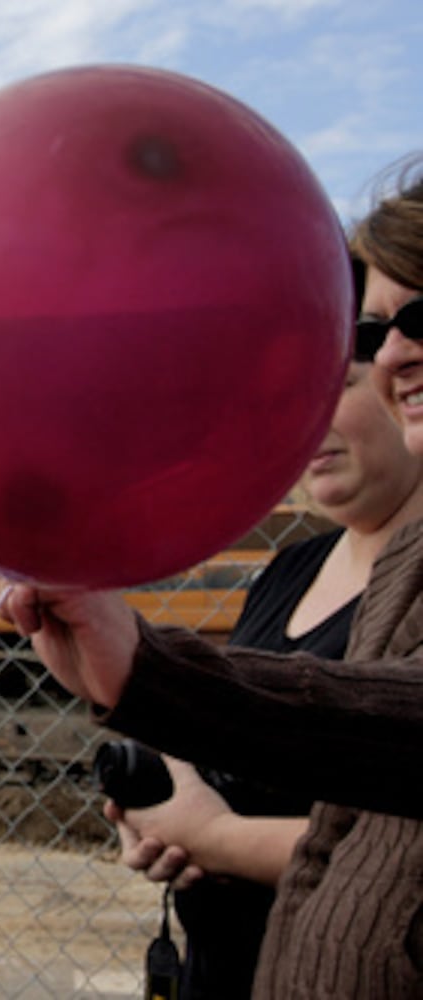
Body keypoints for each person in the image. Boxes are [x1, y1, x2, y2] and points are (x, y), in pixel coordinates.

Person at [0, 158, 423, 998]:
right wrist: (167, 772)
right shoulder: (296, 571)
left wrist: (215, 832)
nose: (398, 355)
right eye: (377, 333)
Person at [108, 256, 423, 999]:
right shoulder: (291, 569)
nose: (302, 421)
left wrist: (218, 840)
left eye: (333, 388)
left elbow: (389, 843)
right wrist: (161, 810)